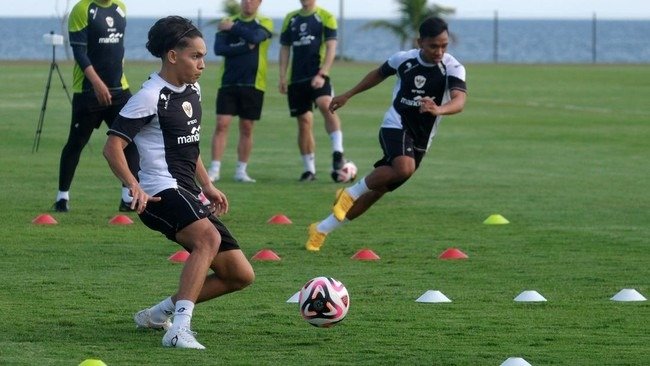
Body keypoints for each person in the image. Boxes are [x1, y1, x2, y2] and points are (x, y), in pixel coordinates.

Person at [103, 16, 255, 349]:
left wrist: (208, 184)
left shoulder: (193, 90)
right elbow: (112, 146)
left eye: (203, 56)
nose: (203, 63)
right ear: (173, 56)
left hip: (187, 191)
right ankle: (179, 330)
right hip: (158, 192)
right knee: (208, 238)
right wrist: (133, 185)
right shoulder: (149, 96)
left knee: (240, 275)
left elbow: (189, 146)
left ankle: (159, 314)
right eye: (196, 56)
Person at [305, 17, 468, 251]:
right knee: (404, 168)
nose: (439, 51)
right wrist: (347, 95)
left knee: (377, 191)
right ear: (420, 42)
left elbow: (459, 101)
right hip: (396, 124)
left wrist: (438, 109)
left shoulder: (452, 67)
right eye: (434, 46)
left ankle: (321, 230)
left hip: (422, 139)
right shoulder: (404, 59)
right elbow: (377, 74)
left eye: (444, 45)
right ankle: (348, 193)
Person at [54, 0, 139, 212]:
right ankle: (62, 197)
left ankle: (128, 198)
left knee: (131, 143)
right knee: (76, 143)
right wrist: (98, 83)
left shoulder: (120, 7)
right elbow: (80, 53)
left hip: (120, 90)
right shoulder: (82, 9)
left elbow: (118, 49)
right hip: (89, 91)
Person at [279, 0, 346, 182]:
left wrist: (322, 73)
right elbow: (285, 49)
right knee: (304, 122)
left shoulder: (325, 16)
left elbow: (332, 47)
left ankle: (338, 153)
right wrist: (283, 77)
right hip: (296, 80)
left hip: (318, 74)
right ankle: (309, 170)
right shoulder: (290, 18)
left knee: (325, 104)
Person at [207, 0, 273, 183]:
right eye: (245, 0)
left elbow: (256, 38)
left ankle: (241, 171)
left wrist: (234, 29)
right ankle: (214, 169)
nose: (248, 3)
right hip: (228, 81)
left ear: (259, 3)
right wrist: (245, 47)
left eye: (252, 0)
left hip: (253, 83)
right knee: (222, 124)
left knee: (247, 128)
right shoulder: (227, 20)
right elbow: (219, 49)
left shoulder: (265, 22)